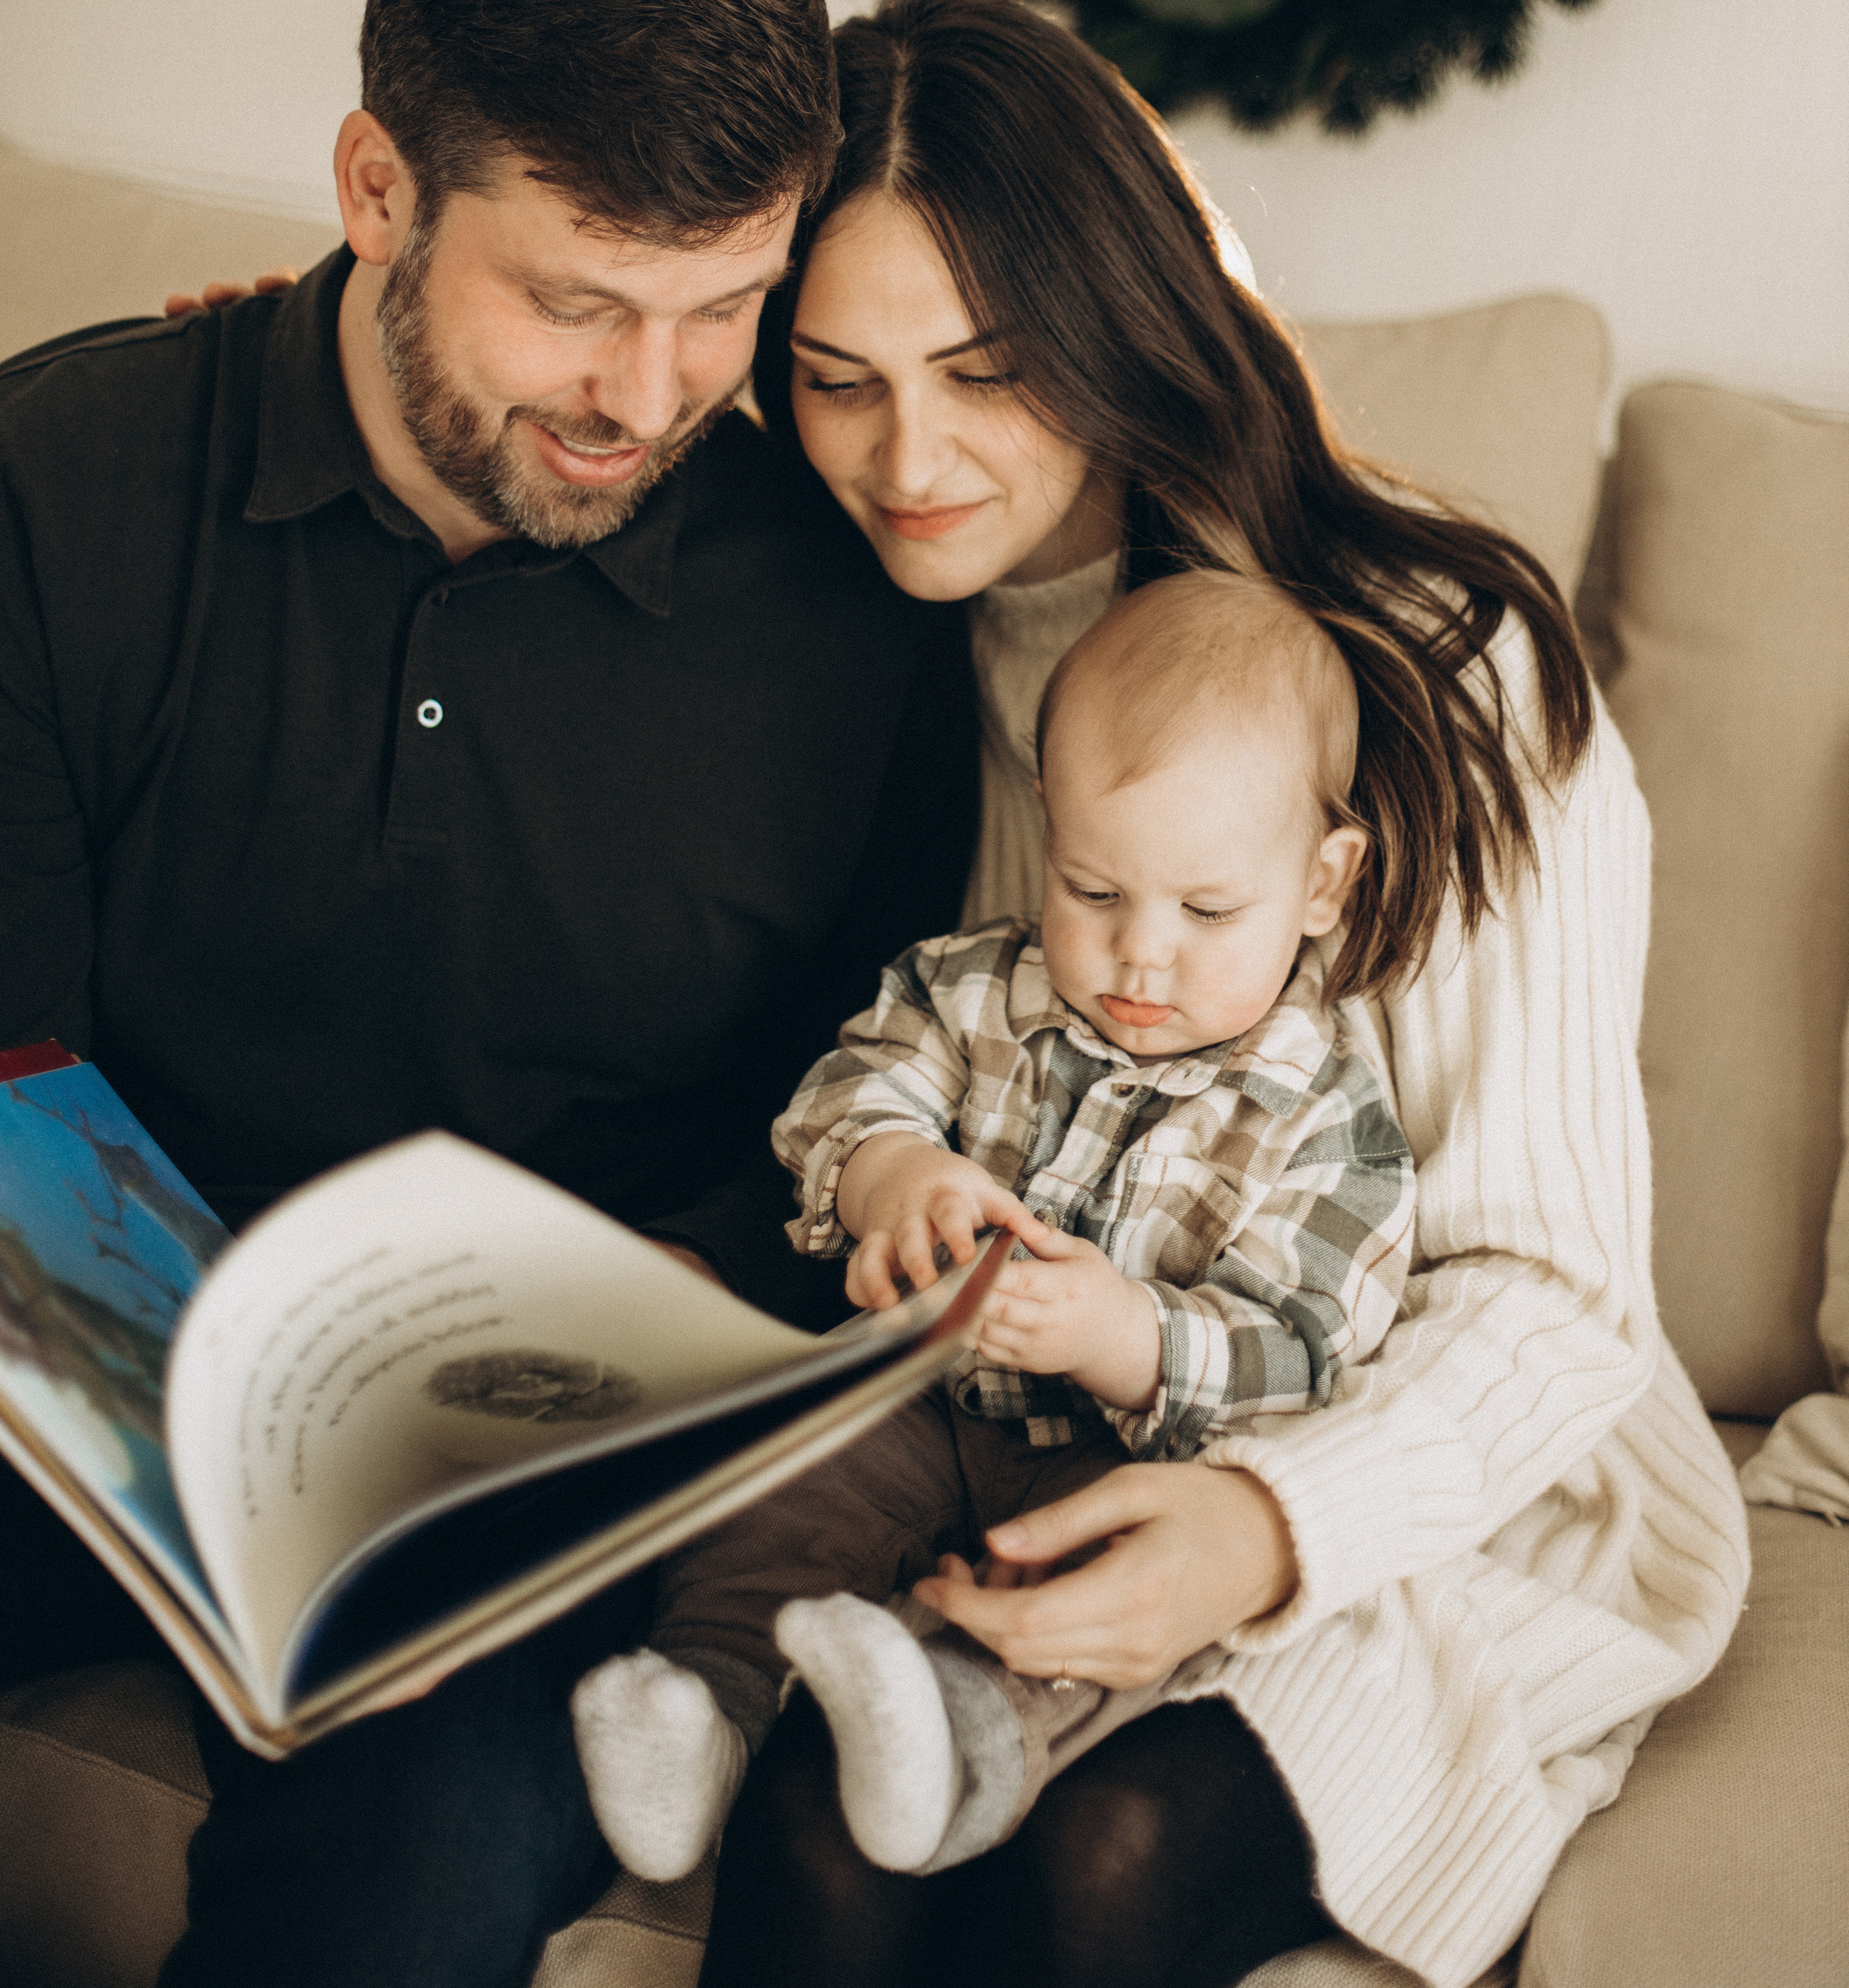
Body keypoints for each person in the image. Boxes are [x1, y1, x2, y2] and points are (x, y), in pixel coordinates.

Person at [0, 0, 980, 1988]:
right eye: (577, 303)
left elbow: (856, 1110)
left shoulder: (855, 613)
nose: (650, 397)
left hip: (514, 1484)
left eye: (727, 309)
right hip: (70, 1394)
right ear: (372, 194)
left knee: (431, 1848)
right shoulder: (55, 492)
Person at [681, 0, 1750, 1988]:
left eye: (986, 370)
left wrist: (1268, 1526)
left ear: (1117, 321)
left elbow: (1560, 1298)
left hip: (1422, 1473)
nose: (908, 459)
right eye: (834, 380)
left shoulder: (1447, 662)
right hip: (1015, 1432)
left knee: (1110, 1862)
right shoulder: (844, 622)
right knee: (827, 1849)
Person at [571, 565, 1418, 1889]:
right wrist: (893, 1176)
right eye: (1095, 892)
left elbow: (1305, 1347)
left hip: (1120, 1463)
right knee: (781, 1483)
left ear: (1322, 882)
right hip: (919, 1400)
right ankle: (709, 1713)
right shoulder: (970, 990)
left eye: (1205, 913)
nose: (1141, 956)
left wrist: (1124, 1333)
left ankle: (958, 1744)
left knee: (1093, 1613)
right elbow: (849, 1097)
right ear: (1049, 829)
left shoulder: (1325, 1111)